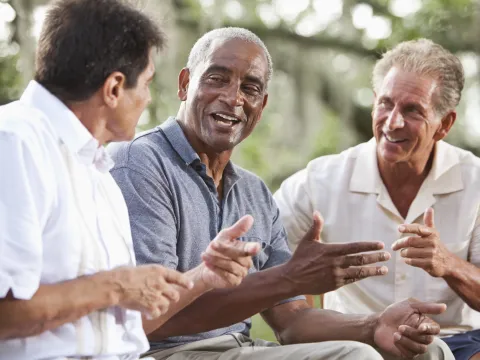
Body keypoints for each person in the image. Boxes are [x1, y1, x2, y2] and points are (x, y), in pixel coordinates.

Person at [109, 28, 452, 360]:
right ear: (185, 83)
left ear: (262, 104)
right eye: (217, 78)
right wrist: (289, 277)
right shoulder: (140, 163)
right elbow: (149, 317)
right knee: (354, 357)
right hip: (167, 352)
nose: (234, 97)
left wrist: (375, 324)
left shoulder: (254, 191)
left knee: (429, 351)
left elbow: (292, 322)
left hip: (241, 348)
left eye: (251, 88)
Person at [0, 2, 259, 359]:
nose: (149, 99)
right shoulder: (14, 143)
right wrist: (116, 286)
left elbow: (126, 325)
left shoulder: (97, 170)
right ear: (114, 88)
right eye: (148, 83)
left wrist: (203, 275)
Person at [274, 38, 480, 360]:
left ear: (445, 125)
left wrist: (448, 264)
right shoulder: (320, 180)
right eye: (385, 103)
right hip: (357, 344)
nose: (393, 121)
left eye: (412, 110)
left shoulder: (475, 181)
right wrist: (301, 301)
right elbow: (264, 264)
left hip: (458, 345)